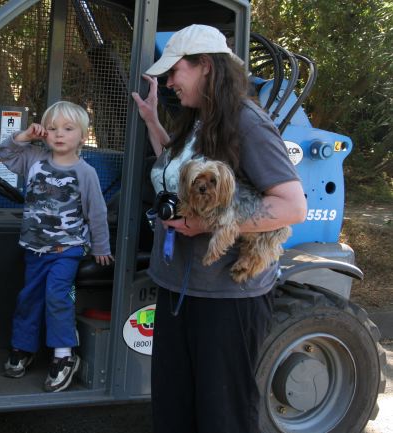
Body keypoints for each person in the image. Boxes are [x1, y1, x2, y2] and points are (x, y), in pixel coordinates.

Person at [131, 24, 307, 432]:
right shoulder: (197, 119)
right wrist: (152, 121)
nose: (169, 83)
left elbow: (292, 206)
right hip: (179, 288)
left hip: (226, 300)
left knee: (222, 416)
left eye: (175, 72)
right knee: (174, 410)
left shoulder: (247, 123)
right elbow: (173, 169)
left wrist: (206, 224)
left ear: (206, 66)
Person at [0, 100, 114, 392]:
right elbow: (6, 154)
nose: (59, 134)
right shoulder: (33, 159)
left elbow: (97, 213)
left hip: (67, 251)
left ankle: (64, 354)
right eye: (52, 128)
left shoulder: (85, 173)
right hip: (35, 250)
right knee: (29, 298)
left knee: (57, 296)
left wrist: (101, 247)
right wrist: (24, 136)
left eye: (68, 128)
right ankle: (23, 347)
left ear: (83, 136)